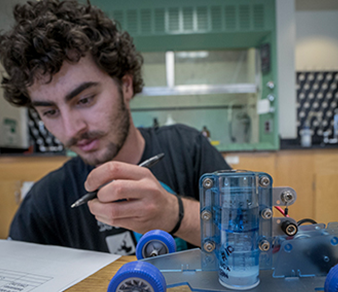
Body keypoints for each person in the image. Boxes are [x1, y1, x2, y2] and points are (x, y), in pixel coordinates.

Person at [0, 0, 230, 255]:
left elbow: (258, 240)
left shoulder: (188, 150)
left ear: (126, 86)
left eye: (85, 99)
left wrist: (177, 215)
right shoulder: (44, 203)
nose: (71, 128)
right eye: (50, 112)